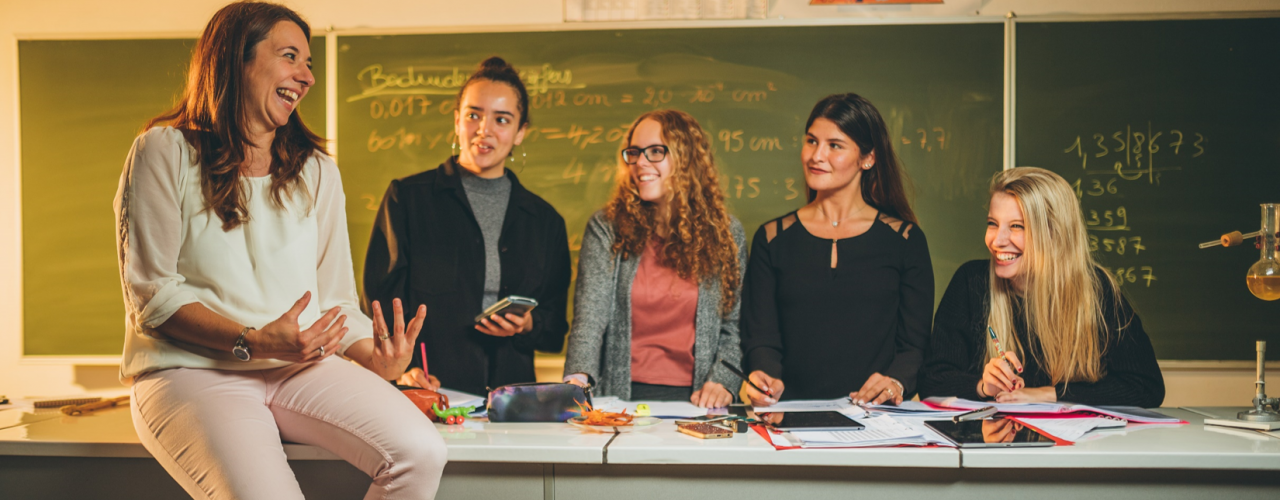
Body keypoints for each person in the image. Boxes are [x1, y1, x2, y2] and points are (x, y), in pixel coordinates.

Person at [114, 3, 446, 498]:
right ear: (235, 60)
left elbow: (335, 299)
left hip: (298, 368)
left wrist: (375, 360)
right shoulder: (164, 151)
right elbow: (154, 299)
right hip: (191, 371)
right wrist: (256, 340)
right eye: (291, 56)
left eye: (309, 63)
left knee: (421, 452)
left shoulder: (315, 170)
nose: (306, 77)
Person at [364, 57, 571, 396]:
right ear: (457, 120)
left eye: (501, 119)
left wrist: (528, 323)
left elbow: (554, 331)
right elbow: (379, 301)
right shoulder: (408, 198)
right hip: (427, 393)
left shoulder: (545, 222)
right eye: (474, 115)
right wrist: (402, 370)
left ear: (520, 133)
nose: (484, 129)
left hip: (512, 402)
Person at [739, 93, 934, 407]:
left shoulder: (905, 240)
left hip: (875, 420)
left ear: (867, 158)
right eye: (812, 141)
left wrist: (895, 381)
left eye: (835, 145)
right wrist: (762, 375)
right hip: (788, 417)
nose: (817, 155)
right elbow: (761, 338)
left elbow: (914, 346)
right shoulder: (772, 238)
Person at [918, 167, 1165, 407]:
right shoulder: (971, 282)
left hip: (1075, 447)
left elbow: (1146, 387)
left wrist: (1048, 395)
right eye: (993, 223)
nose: (997, 240)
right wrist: (982, 385)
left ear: (1054, 233)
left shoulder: (1097, 290)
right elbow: (930, 382)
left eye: (1017, 226)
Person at [562, 109, 746, 408]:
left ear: (686, 158)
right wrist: (576, 380)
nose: (640, 163)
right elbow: (590, 319)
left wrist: (724, 380)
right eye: (634, 153)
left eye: (656, 152)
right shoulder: (607, 227)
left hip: (700, 402)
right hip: (620, 400)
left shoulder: (725, 233)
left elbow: (735, 324)